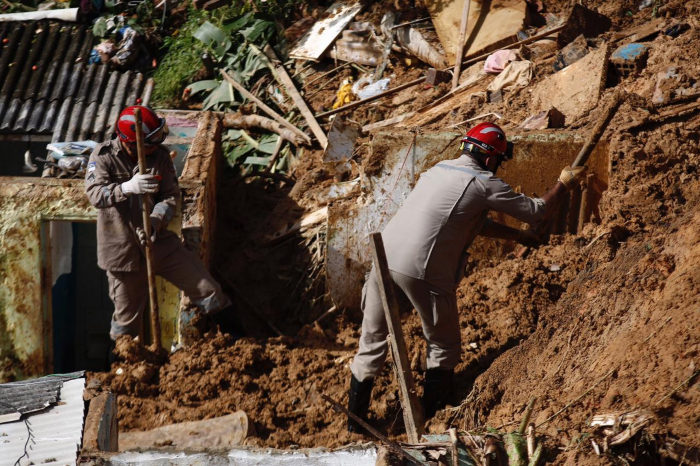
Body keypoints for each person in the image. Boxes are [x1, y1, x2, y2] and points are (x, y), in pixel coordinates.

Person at [347, 122, 585, 431]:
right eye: (499, 161)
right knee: (443, 345)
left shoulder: (437, 170)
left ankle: (355, 426)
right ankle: (430, 419)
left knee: (372, 343)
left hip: (382, 258)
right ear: (490, 158)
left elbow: (469, 222)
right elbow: (538, 210)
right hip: (423, 268)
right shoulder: (484, 183)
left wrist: (519, 237)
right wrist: (563, 183)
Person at [85, 105, 242, 357]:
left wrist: (156, 221)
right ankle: (120, 371)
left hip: (159, 243)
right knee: (126, 323)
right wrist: (126, 188)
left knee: (208, 290)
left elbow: (170, 197)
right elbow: (94, 194)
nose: (156, 146)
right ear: (128, 142)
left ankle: (240, 344)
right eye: (150, 142)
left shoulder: (159, 157)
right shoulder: (103, 157)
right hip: (122, 252)